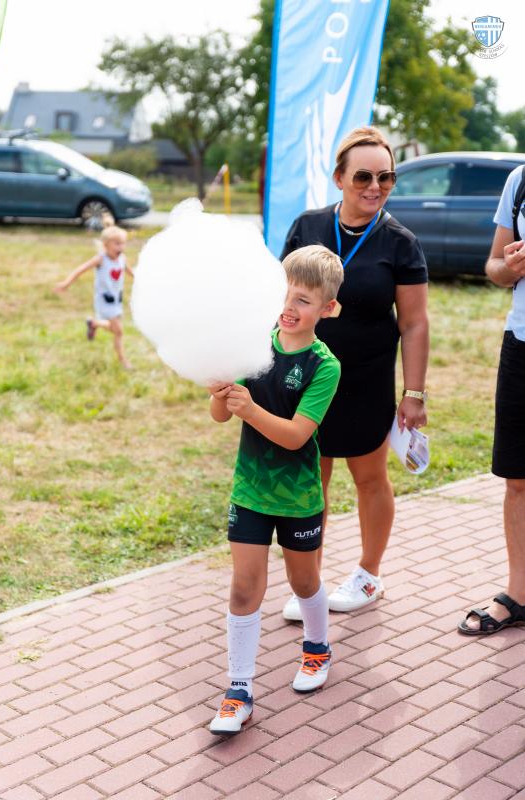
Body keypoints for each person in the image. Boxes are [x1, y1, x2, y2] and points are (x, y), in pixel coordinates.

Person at [280, 126, 429, 621]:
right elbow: (280, 299)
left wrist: (414, 392)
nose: (375, 186)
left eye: (386, 177)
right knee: (311, 480)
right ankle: (310, 583)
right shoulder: (307, 227)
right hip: (307, 377)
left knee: (369, 477)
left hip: (366, 379)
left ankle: (369, 575)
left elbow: (414, 322)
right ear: (339, 178)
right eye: (363, 176)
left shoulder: (400, 242)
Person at [208, 245, 343, 736]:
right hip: (250, 489)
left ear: (328, 308)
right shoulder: (254, 345)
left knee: (303, 581)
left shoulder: (325, 366)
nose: (289, 306)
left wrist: (248, 409)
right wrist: (220, 393)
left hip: (299, 496)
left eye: (304, 300)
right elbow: (220, 415)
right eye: (284, 295)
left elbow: (296, 436)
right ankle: (238, 690)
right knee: (244, 586)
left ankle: (317, 648)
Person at [458, 164, 525, 635]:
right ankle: (519, 595)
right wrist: (510, 266)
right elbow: (493, 266)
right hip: (521, 344)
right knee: (517, 478)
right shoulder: (519, 180)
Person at [54, 224, 134, 368]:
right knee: (119, 331)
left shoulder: (122, 258)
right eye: (117, 244)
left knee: (113, 328)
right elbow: (81, 269)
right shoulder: (101, 259)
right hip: (104, 300)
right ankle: (124, 361)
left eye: (123, 243)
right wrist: (66, 283)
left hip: (117, 299)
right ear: (105, 245)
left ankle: (93, 323)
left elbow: (129, 271)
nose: (121, 247)